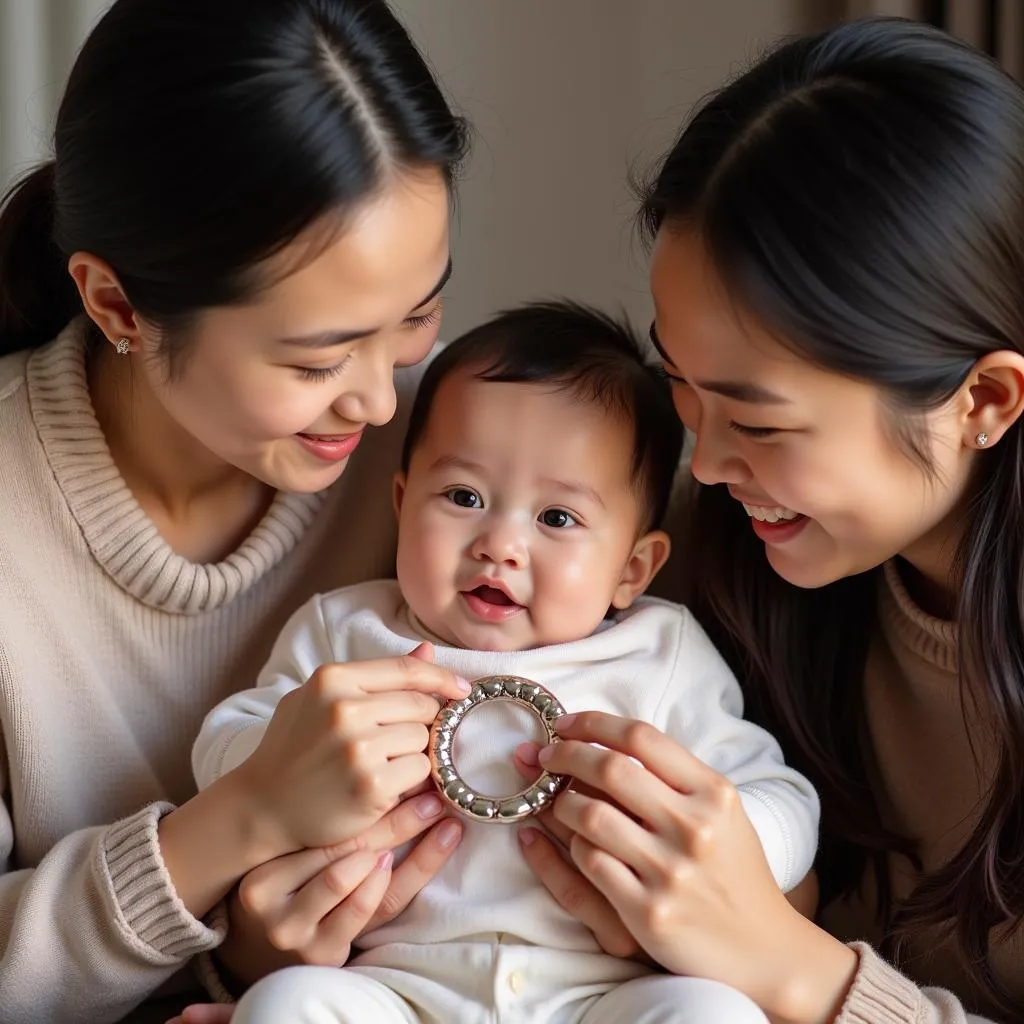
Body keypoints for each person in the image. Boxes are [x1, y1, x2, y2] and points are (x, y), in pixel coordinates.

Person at [502, 16, 1024, 1024]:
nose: (708, 462)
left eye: (755, 419)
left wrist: (792, 965)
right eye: (679, 386)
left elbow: (761, 952)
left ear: (984, 401)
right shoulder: (718, 562)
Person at [0, 1, 482, 1021]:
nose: (381, 401)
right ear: (116, 304)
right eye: (313, 359)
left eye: (418, 316)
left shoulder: (471, 456)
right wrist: (242, 816)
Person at [189, 301, 820, 1024]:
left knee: (712, 1013)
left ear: (633, 568)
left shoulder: (660, 652)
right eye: (463, 497)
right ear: (402, 503)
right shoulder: (346, 631)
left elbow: (778, 796)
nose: (499, 543)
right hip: (395, 985)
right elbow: (225, 744)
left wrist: (737, 855)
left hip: (602, 991)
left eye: (557, 518)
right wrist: (281, 770)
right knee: (287, 1002)